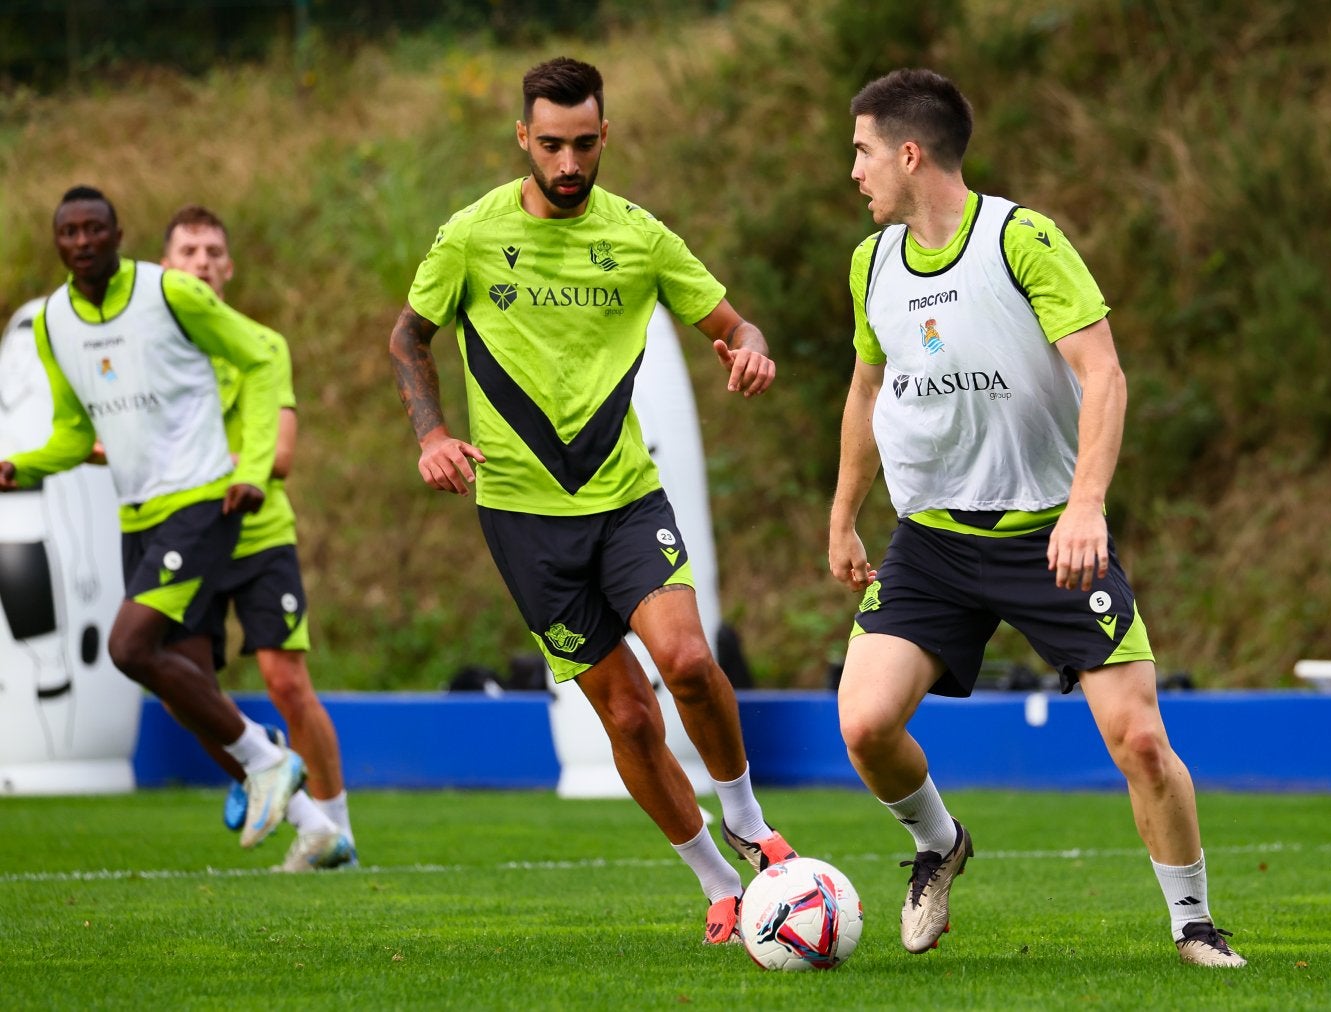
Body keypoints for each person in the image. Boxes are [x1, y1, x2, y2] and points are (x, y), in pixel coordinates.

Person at [827, 69, 1247, 968]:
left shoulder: (1024, 241)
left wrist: (1086, 506)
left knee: (1138, 737)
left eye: (862, 151)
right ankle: (940, 845)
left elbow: (1105, 374)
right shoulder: (870, 264)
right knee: (863, 725)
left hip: (1048, 530)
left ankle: (1194, 924)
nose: (852, 170)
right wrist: (843, 518)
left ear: (910, 153)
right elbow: (866, 390)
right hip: (932, 541)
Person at [387, 57, 793, 944]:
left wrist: (748, 349)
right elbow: (408, 337)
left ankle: (752, 823)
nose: (567, 164)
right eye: (550, 145)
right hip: (525, 521)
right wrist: (431, 435)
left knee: (687, 661)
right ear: (523, 140)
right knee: (627, 712)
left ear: (604, 137)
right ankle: (717, 882)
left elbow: (733, 323)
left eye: (583, 144)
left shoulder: (642, 237)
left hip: (625, 500)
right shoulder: (471, 235)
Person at [0, 186, 310, 853]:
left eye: (95, 230)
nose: (82, 242)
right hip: (136, 515)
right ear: (57, 244)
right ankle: (312, 827)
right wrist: (20, 468)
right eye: (69, 233)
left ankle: (266, 761)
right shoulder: (55, 324)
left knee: (128, 648)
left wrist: (252, 470)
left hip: (201, 500)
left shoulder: (170, 294)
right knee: (183, 684)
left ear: (118, 235)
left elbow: (267, 354)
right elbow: (74, 434)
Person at [161, 204, 357, 872]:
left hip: (260, 534)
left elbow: (280, 455)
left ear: (230, 267)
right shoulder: (156, 357)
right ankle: (267, 761)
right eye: (189, 251)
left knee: (287, 680)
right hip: (186, 537)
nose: (203, 262)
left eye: (214, 251)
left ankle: (335, 830)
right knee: (184, 687)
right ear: (166, 267)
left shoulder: (262, 345)